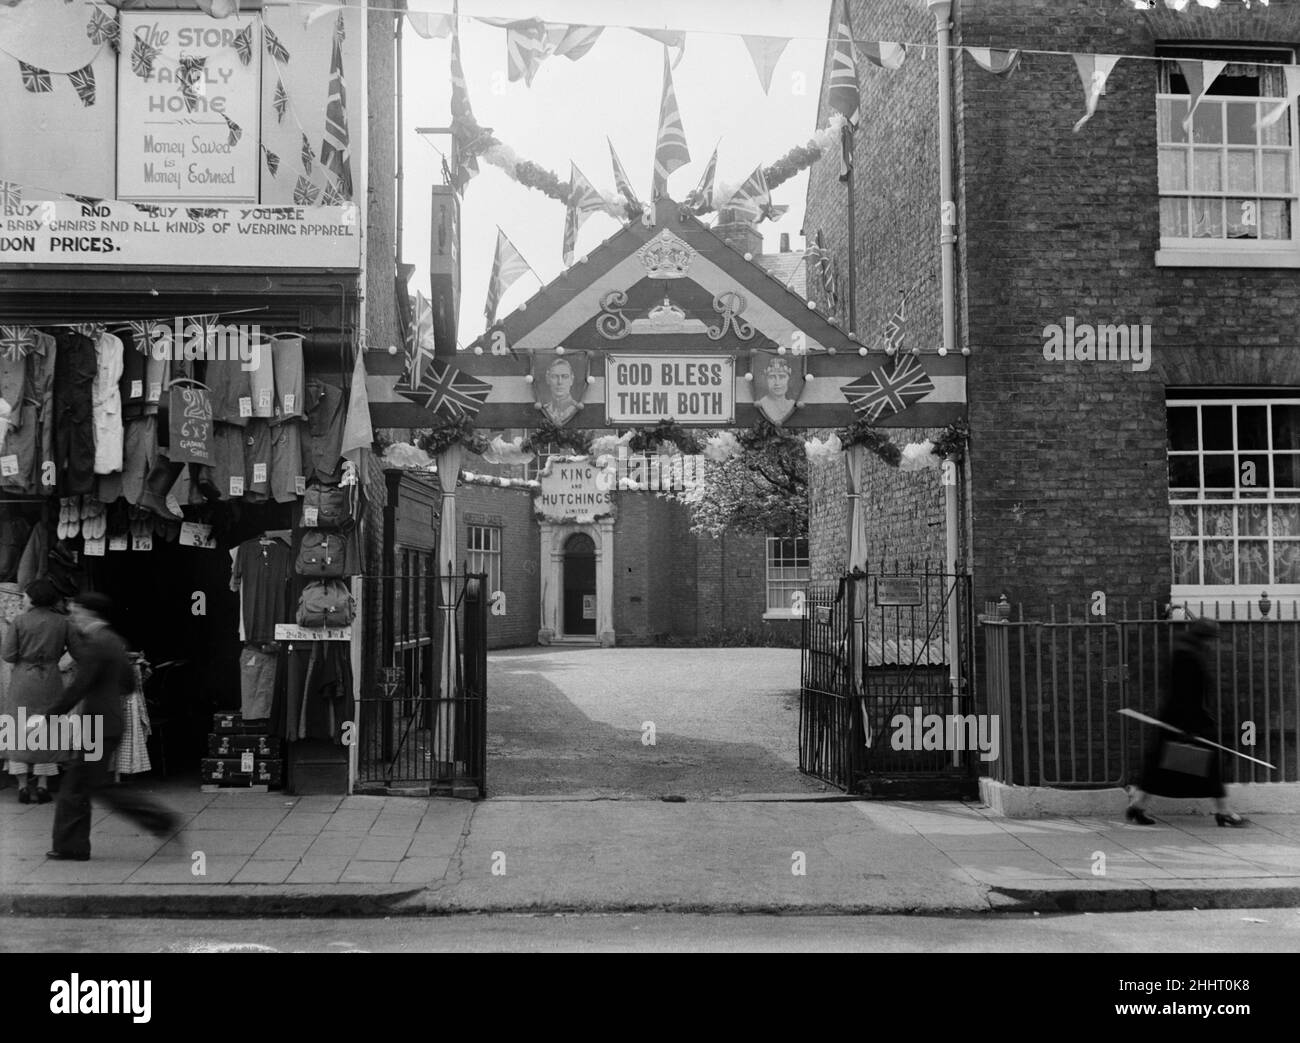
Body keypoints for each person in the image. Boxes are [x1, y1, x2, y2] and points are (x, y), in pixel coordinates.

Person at [44, 592, 180, 860]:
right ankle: (74, 845)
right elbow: (128, 684)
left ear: (89, 612)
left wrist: (50, 715)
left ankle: (159, 819)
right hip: (110, 720)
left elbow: (80, 686)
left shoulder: (97, 643)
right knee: (89, 784)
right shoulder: (115, 641)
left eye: (76, 611)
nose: (73, 617)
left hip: (97, 724)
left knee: (81, 786)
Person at [1125, 618, 1248, 827]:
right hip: (1188, 720)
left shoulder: (1185, 650)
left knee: (1159, 765)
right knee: (1210, 764)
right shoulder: (1188, 654)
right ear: (1204, 637)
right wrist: (1192, 724)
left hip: (1178, 718)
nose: (1212, 643)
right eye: (1211, 638)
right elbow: (1187, 692)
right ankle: (1224, 811)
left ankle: (1137, 805)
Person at [0, 579, 69, 804]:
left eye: (26, 595)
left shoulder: (20, 621)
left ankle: (22, 786)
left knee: (18, 730)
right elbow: (76, 651)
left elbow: (8, 655)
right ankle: (42, 786)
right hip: (50, 679)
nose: (24, 598)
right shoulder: (63, 622)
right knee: (48, 731)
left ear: (34, 598)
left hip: (23, 679)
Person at [756, 357, 796, 425]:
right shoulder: (762, 404)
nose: (777, 383)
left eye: (782, 377)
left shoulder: (792, 404)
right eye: (772, 377)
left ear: (789, 379)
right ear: (765, 380)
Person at [540, 357, 580, 425]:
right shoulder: (545, 409)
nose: (559, 382)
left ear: (571, 380)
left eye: (565, 377)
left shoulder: (576, 408)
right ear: (548, 379)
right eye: (554, 376)